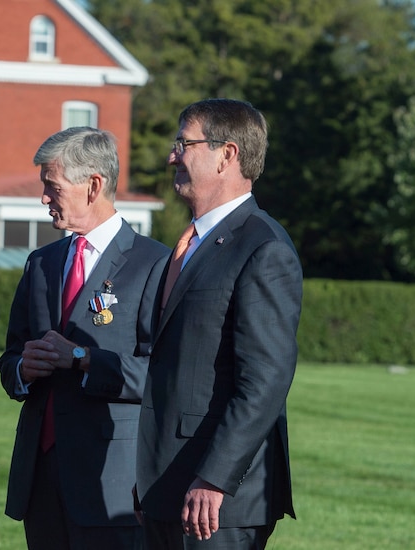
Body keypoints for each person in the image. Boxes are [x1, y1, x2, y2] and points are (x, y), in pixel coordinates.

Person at [134, 98, 303, 550]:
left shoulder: (262, 248)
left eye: (183, 143)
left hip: (216, 501)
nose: (172, 155)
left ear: (226, 155)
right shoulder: (192, 244)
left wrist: (215, 478)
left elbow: (265, 380)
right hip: (166, 486)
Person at [0, 126, 170, 550]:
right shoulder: (42, 262)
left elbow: (162, 376)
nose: (43, 198)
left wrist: (83, 358)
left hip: (112, 482)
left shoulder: (156, 265)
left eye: (51, 186)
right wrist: (23, 368)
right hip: (40, 481)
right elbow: (10, 359)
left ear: (93, 186)